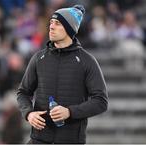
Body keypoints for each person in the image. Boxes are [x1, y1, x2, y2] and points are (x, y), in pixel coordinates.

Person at [17, 5, 108, 144]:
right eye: (51, 23)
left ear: (69, 29)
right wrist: (29, 113)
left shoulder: (86, 61)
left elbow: (101, 101)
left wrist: (70, 112)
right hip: (38, 140)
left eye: (58, 23)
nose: (51, 27)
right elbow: (23, 92)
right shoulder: (38, 58)